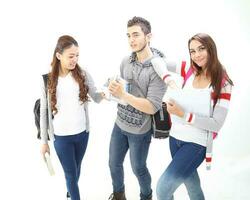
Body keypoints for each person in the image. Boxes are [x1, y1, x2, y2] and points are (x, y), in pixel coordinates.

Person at [152, 33, 233, 200]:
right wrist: (169, 80)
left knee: (163, 189)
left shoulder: (222, 83)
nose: (197, 55)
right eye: (192, 51)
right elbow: (156, 61)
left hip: (196, 144)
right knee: (193, 187)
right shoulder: (188, 69)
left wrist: (184, 115)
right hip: (175, 139)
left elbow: (216, 124)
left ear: (211, 49)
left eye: (201, 49)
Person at [107, 16, 174, 200]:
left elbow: (152, 107)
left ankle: (146, 196)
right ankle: (119, 195)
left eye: (136, 35)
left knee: (138, 169)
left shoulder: (158, 68)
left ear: (149, 36)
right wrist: (111, 90)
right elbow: (123, 90)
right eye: (128, 36)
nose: (131, 40)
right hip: (119, 124)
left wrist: (123, 94)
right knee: (113, 164)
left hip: (140, 130)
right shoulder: (125, 61)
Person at [40, 35, 103, 200]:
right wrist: (44, 142)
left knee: (76, 169)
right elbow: (44, 112)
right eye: (70, 56)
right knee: (70, 174)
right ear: (58, 55)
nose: (74, 59)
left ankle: (70, 192)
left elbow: (96, 97)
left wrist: (109, 91)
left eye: (77, 55)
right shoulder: (47, 80)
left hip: (82, 133)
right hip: (61, 137)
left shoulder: (82, 74)